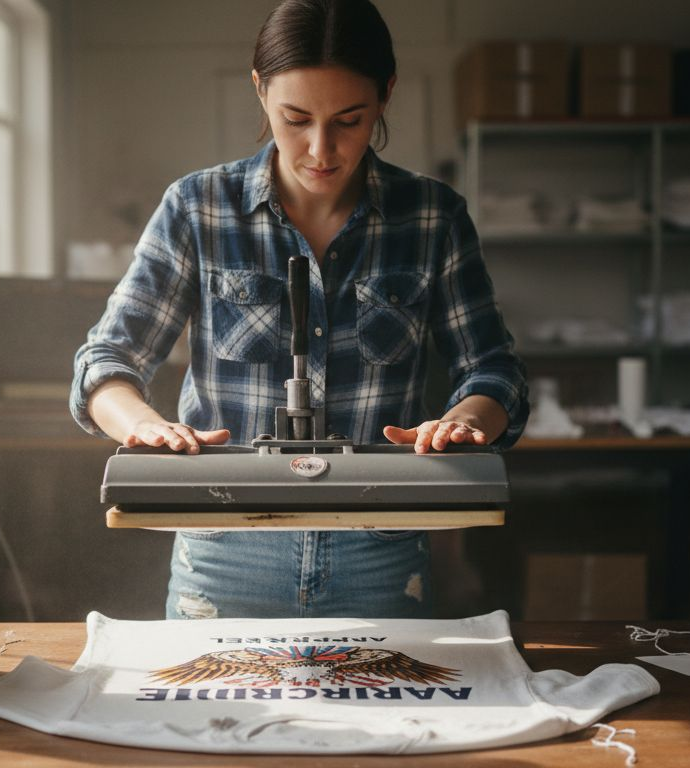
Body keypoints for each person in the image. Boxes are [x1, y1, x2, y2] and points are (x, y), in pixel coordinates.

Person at [70, 0, 527, 620]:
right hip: (224, 550)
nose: (321, 149)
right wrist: (143, 427)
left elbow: (495, 371)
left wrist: (464, 421)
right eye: (295, 119)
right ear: (259, 91)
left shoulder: (431, 217)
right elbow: (105, 359)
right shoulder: (198, 208)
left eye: (349, 120)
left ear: (385, 95)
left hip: (381, 554)